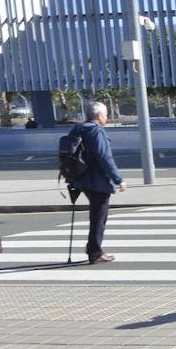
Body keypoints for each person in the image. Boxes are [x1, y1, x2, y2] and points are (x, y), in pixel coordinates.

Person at [69, 102, 127, 264]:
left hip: (81, 178)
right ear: (99, 115)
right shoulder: (96, 131)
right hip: (98, 181)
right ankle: (95, 252)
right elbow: (104, 157)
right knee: (99, 217)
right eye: (106, 114)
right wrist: (118, 179)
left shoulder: (77, 129)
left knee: (96, 216)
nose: (107, 117)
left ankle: (93, 249)